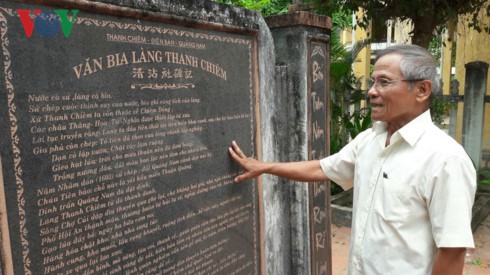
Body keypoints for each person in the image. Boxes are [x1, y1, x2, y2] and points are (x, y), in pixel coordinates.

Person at [229, 44, 476, 275]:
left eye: (384, 82)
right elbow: (322, 168)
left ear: (422, 90)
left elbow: (452, 250)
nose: (371, 91)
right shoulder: (370, 140)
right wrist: (264, 167)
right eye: (372, 82)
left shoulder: (445, 159)